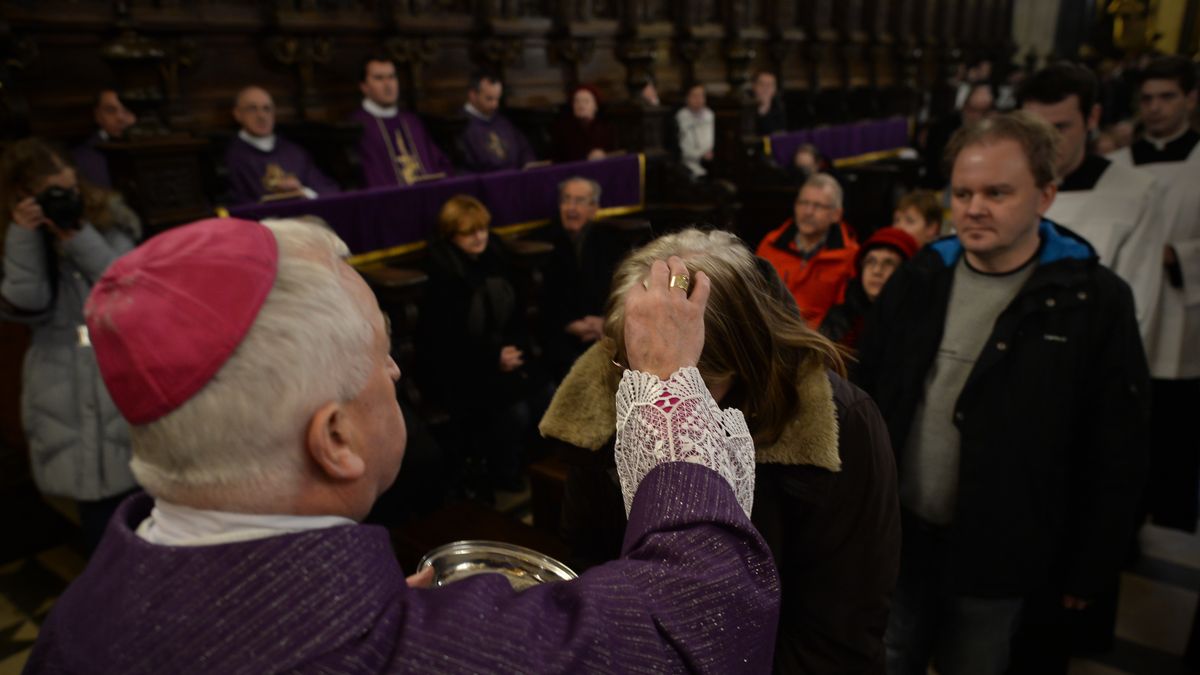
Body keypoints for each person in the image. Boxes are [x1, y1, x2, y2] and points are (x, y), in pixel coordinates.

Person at [25, 216, 782, 673]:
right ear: (336, 439)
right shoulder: (426, 654)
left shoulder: (73, 622)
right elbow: (698, 626)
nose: (394, 370)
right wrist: (666, 382)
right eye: (383, 356)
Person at [857, 112, 1149, 675]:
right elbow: (869, 393)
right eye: (962, 192)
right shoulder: (922, 275)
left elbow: (1116, 445)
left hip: (1003, 551)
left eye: (997, 192)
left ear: (1045, 195)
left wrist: (1091, 567)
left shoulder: (1091, 300)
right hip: (902, 540)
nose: (973, 207)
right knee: (888, 660)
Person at [540, 228, 900, 673]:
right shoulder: (614, 388)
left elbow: (839, 628)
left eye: (694, 382)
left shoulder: (842, 422)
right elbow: (589, 553)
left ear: (743, 359)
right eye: (642, 370)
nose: (659, 403)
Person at [1, 139, 141, 550]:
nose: (66, 198)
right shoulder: (13, 234)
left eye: (70, 188)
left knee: (140, 490)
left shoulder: (107, 217)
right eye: (52, 193)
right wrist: (24, 237)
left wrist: (77, 234)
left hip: (115, 360)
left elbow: (126, 281)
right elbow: (26, 304)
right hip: (58, 368)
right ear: (22, 195)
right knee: (95, 506)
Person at [1109, 55, 1200, 534]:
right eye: (1146, 99)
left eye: (1167, 97)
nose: (1156, 108)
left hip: (1182, 317)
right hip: (1126, 311)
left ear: (1191, 98)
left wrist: (1178, 255)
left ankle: (1167, 519)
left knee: (1172, 428)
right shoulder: (1115, 167)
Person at [1019, 63, 1163, 348]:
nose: (1046, 142)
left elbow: (1136, 306)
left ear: (1092, 117)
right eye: (1035, 128)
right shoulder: (1004, 187)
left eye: (1060, 127)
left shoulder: (1136, 194)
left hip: (1082, 358)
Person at [415, 195, 538, 495]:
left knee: (544, 391)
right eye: (470, 232)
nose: (479, 237)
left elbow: (515, 313)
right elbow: (443, 341)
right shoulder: (442, 272)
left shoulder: (493, 256)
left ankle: (532, 469)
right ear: (451, 234)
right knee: (515, 410)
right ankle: (502, 474)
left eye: (482, 229)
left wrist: (513, 350)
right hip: (460, 367)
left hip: (502, 354)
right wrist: (494, 357)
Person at [531, 177, 644, 379]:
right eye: (566, 200)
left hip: (604, 329)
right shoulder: (542, 242)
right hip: (559, 331)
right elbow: (542, 298)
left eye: (579, 201)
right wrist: (569, 324)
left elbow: (623, 288)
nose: (571, 208)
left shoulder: (610, 239)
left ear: (594, 208)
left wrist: (605, 322)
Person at [756, 173, 859, 328]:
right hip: (770, 332)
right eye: (803, 203)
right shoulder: (771, 244)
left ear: (836, 215)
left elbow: (842, 316)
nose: (808, 212)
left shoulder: (850, 256)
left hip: (818, 342)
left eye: (818, 206)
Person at [349, 54, 453, 188]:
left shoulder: (412, 122)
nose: (388, 85)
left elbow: (439, 162)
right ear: (364, 86)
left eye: (392, 77)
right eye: (379, 78)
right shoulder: (357, 127)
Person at [223, 85, 340, 205]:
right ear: (237, 114)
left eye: (267, 109)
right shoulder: (232, 156)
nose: (261, 116)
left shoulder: (294, 152)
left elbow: (326, 190)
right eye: (252, 109)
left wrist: (303, 191)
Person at [820, 227, 918, 349]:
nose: (877, 271)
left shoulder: (915, 325)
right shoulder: (840, 318)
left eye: (889, 263)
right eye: (870, 261)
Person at [455, 71, 537, 173]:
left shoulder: (502, 121)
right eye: (489, 99)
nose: (495, 105)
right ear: (473, 95)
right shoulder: (458, 126)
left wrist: (527, 163)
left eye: (497, 99)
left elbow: (524, 149)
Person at [921, 83, 994, 188]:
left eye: (983, 112)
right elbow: (939, 165)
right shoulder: (944, 127)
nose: (977, 117)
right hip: (944, 183)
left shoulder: (991, 129)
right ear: (964, 107)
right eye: (973, 110)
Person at [71, 89, 136, 189]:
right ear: (97, 115)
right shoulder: (82, 157)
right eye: (110, 110)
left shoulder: (152, 146)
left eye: (127, 110)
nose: (120, 118)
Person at [550, 85, 616, 163]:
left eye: (586, 101)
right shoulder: (562, 130)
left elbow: (617, 153)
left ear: (596, 106)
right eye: (576, 101)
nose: (580, 105)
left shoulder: (607, 127)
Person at [676, 83, 715, 178]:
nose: (699, 99)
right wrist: (700, 154)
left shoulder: (709, 115)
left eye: (701, 95)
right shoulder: (681, 116)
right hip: (687, 163)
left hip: (710, 162)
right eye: (694, 96)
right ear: (687, 98)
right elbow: (683, 146)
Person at [752, 70, 787, 136]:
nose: (765, 88)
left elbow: (779, 134)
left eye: (769, 85)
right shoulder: (745, 105)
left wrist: (765, 106)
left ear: (775, 89)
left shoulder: (780, 108)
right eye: (761, 84)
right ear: (754, 86)